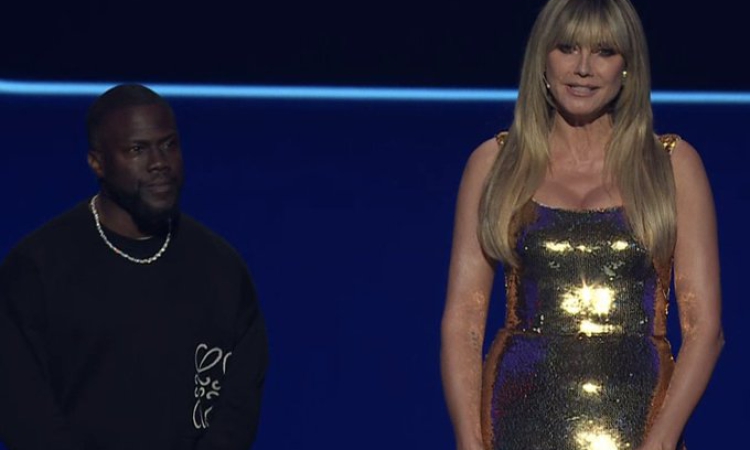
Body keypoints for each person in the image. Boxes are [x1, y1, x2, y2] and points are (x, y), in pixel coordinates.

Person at [440, 1, 723, 449]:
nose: (583, 68)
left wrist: (662, 440)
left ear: (627, 66)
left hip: (640, 426)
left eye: (604, 51)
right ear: (543, 58)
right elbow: (464, 322)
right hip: (516, 421)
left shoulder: (671, 166)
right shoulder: (495, 164)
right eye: (567, 48)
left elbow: (705, 328)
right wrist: (469, 440)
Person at [0, 84, 269, 450]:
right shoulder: (37, 268)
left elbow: (238, 407)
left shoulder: (221, 268)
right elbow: (22, 408)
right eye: (137, 149)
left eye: (169, 145)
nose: (160, 162)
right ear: (97, 162)